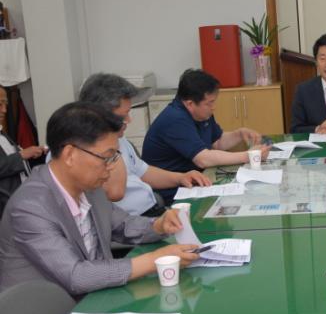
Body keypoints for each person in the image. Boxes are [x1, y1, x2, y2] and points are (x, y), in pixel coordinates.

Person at [0, 102, 200, 297]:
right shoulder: (30, 207)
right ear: (70, 155)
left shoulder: (88, 186)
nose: (111, 167)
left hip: (96, 297)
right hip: (48, 312)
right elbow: (76, 276)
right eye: (106, 157)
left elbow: (123, 225)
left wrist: (158, 225)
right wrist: (154, 260)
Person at [78, 73, 211, 216]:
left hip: (152, 208)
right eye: (123, 115)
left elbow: (143, 171)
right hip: (131, 219)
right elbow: (114, 192)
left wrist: (180, 177)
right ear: (100, 114)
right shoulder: (89, 149)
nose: (129, 120)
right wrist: (112, 145)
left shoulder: (121, 140)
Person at [142, 69, 269, 202]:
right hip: (174, 192)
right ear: (190, 104)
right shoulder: (175, 119)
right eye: (209, 103)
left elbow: (217, 142)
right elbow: (203, 159)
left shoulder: (201, 113)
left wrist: (239, 134)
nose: (214, 107)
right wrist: (247, 156)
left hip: (196, 181)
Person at [0, 85, 47, 207]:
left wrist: (37, 154)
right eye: (0, 104)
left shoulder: (2, 134)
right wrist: (22, 155)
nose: (4, 110)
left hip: (20, 198)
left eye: (6, 104)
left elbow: (13, 164)